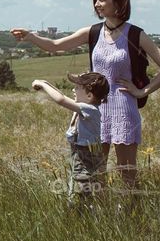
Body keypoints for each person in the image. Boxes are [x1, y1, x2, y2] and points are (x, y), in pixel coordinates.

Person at [11, 0, 160, 192]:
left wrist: (141, 91)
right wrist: (31, 36)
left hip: (124, 110)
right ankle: (101, 214)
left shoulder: (135, 34)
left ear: (118, 2)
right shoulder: (93, 32)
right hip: (96, 109)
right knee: (96, 171)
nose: (96, 4)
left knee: (127, 172)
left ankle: (132, 214)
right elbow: (55, 46)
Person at [32, 72, 109, 205]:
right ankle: (86, 212)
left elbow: (61, 99)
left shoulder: (89, 109)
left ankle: (82, 216)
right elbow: (63, 96)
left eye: (78, 88)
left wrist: (43, 85)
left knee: (80, 195)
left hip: (84, 159)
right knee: (78, 188)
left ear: (89, 95)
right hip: (80, 157)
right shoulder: (86, 107)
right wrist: (45, 82)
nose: (73, 89)